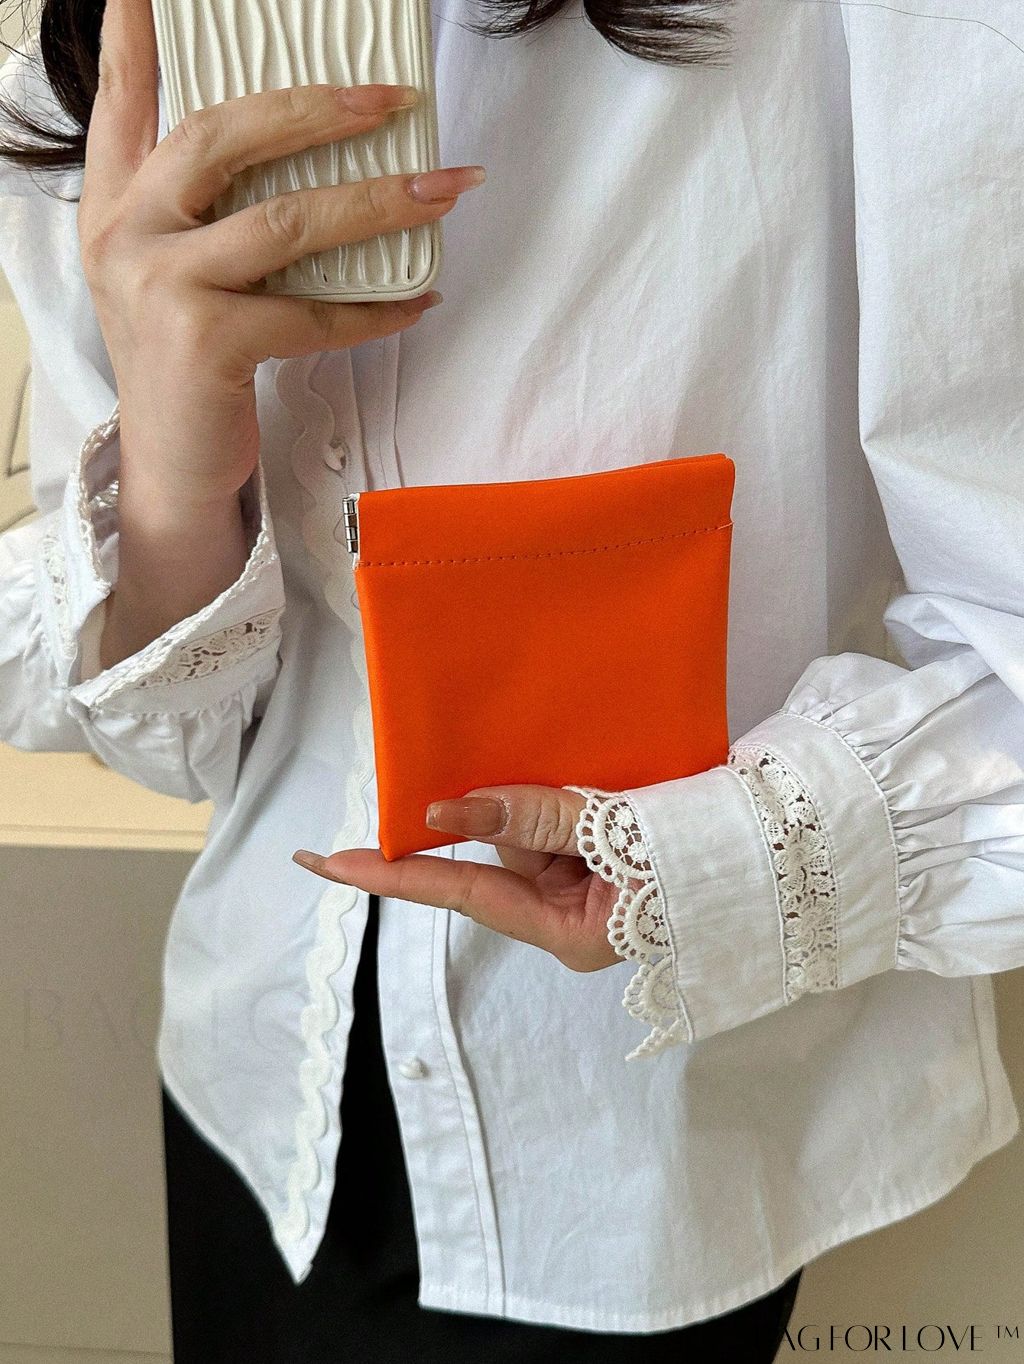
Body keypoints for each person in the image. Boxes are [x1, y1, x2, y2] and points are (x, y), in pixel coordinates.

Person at [0, 0, 1020, 1359]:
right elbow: (172, 745)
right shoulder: (111, 38)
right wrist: (177, 486)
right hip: (263, 1083)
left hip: (647, 1126)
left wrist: (712, 862)